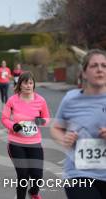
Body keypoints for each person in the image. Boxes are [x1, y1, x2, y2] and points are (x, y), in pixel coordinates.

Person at [50, 49, 106, 199]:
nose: (100, 69)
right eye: (94, 66)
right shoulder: (70, 99)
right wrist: (64, 139)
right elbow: (56, 127)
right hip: (78, 174)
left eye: (104, 65)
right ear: (84, 72)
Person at [1, 71, 50, 199]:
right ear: (20, 85)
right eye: (25, 83)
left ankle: (33, 192)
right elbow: (4, 118)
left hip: (34, 143)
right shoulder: (13, 100)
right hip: (16, 143)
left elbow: (46, 118)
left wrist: (42, 121)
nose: (28, 86)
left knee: (37, 176)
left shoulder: (40, 100)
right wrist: (13, 126)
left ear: (33, 85)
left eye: (30, 83)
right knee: (23, 175)